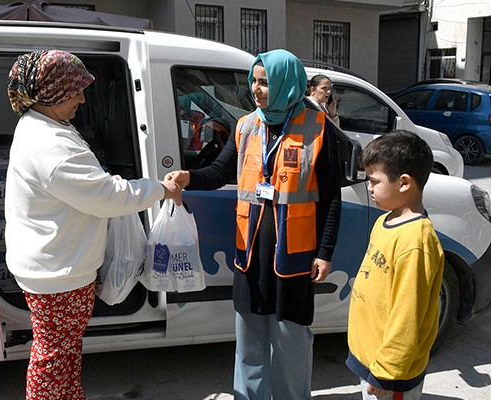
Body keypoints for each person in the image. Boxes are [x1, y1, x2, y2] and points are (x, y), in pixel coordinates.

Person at [4, 49, 181, 400]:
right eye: (75, 90)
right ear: (52, 92)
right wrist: (159, 188)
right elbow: (105, 197)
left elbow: (88, 186)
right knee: (54, 359)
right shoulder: (49, 144)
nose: (83, 99)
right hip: (59, 274)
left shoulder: (42, 125)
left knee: (62, 354)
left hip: (55, 267)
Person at [166, 49, 342, 399]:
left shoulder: (319, 129)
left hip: (294, 255)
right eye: (255, 82)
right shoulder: (246, 125)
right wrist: (189, 176)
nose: (257, 90)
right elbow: (219, 172)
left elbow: (331, 198)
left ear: (286, 84)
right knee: (249, 345)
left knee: (291, 344)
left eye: (265, 82)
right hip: (250, 255)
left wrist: (324, 252)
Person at [346, 130, 444, 400]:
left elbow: (407, 316)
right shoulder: (384, 221)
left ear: (403, 183)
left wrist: (386, 372)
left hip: (389, 376)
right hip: (370, 361)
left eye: (374, 181)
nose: (369, 187)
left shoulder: (416, 241)